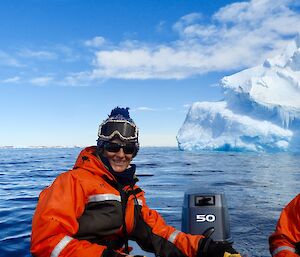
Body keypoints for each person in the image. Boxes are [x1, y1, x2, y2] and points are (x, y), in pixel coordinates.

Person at [31, 107, 239, 257]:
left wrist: (205, 248)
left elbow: (159, 234)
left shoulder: (131, 194)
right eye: (113, 147)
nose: (120, 155)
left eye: (128, 149)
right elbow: (46, 242)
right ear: (101, 148)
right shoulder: (71, 182)